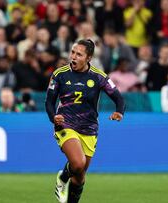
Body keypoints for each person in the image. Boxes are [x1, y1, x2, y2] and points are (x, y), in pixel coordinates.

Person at [45, 39, 125, 203]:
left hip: (89, 128)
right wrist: (53, 117)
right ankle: (63, 176)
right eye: (73, 52)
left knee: (80, 176)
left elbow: (118, 98)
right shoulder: (59, 74)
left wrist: (119, 111)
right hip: (65, 124)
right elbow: (48, 102)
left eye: (79, 54)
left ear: (88, 58)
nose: (73, 57)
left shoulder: (99, 77)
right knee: (78, 163)